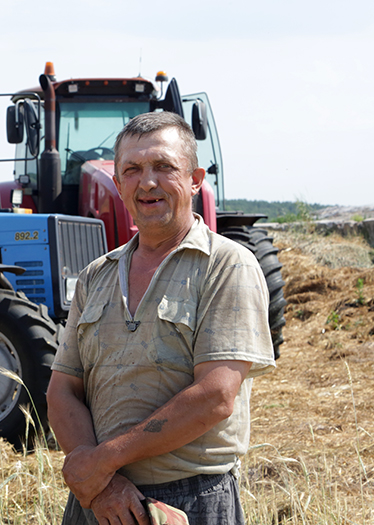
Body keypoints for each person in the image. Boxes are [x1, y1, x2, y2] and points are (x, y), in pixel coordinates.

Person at [46, 111, 276, 525]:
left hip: (190, 500)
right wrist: (103, 486)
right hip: (98, 501)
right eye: (132, 170)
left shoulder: (226, 265)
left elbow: (216, 395)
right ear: (118, 185)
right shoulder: (95, 276)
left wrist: (104, 461)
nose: (147, 182)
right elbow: (62, 390)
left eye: (164, 166)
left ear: (195, 179)